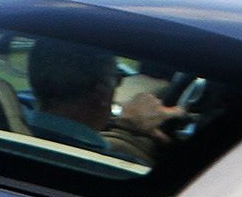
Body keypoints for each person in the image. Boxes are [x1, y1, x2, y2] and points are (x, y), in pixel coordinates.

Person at [25, 37, 181, 159]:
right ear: (101, 90)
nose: (119, 85)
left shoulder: (13, 114)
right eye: (117, 79)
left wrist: (120, 116)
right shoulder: (120, 168)